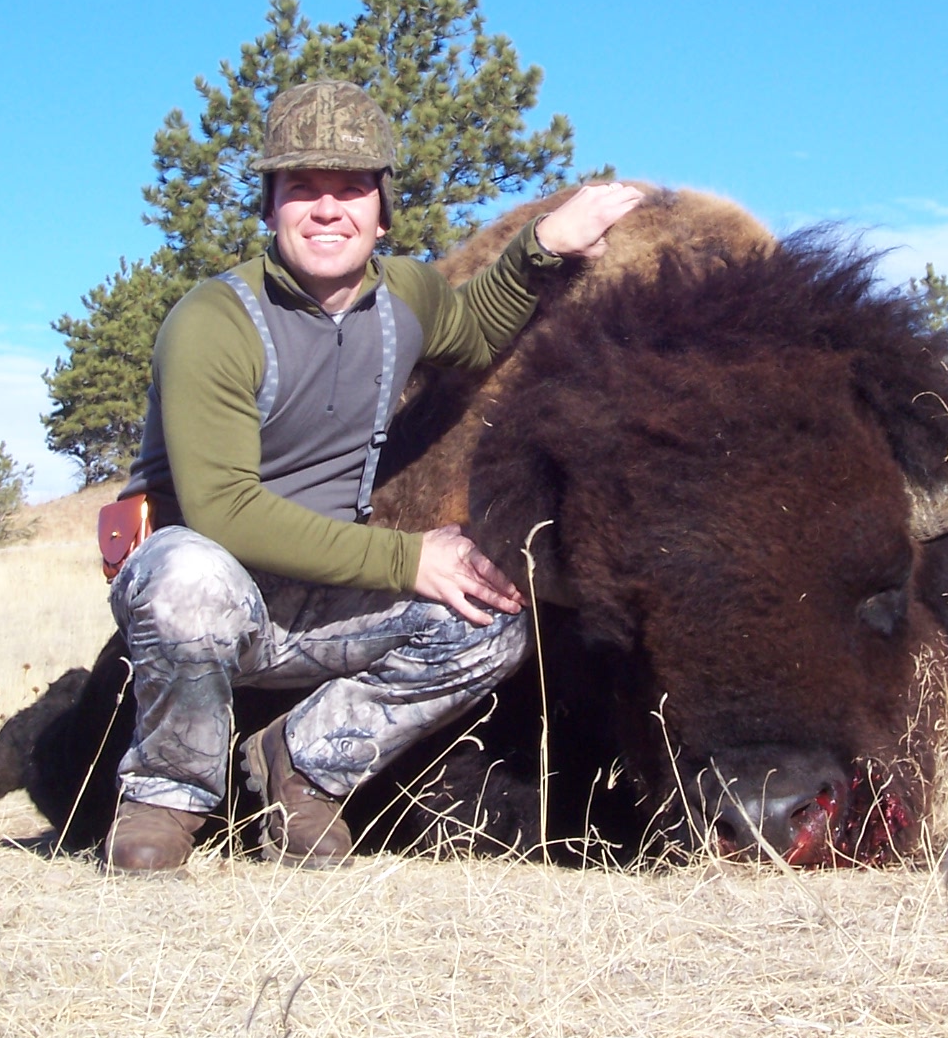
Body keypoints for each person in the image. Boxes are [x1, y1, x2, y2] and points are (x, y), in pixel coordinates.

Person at [104, 80, 641, 872]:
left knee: (487, 614)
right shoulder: (212, 321)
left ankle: (302, 765)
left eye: (351, 187)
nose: (329, 209)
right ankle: (164, 798)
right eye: (302, 189)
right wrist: (407, 558)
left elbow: (478, 324)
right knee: (189, 573)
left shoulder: (406, 297)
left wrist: (543, 243)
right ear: (269, 207)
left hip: (317, 595)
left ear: (382, 209)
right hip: (206, 592)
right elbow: (224, 512)